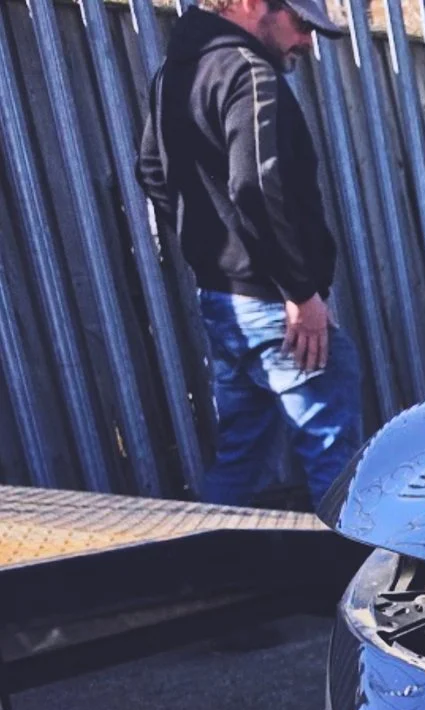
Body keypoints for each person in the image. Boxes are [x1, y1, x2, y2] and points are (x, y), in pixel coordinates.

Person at [136, 0, 363, 509]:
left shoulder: (174, 71)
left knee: (242, 454)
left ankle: (200, 571)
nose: (306, 42)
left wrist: (216, 253)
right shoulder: (249, 73)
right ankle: (352, 579)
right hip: (276, 304)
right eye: (302, 25)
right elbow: (258, 187)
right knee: (333, 454)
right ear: (252, 5)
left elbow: (152, 170)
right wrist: (300, 294)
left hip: (224, 302)